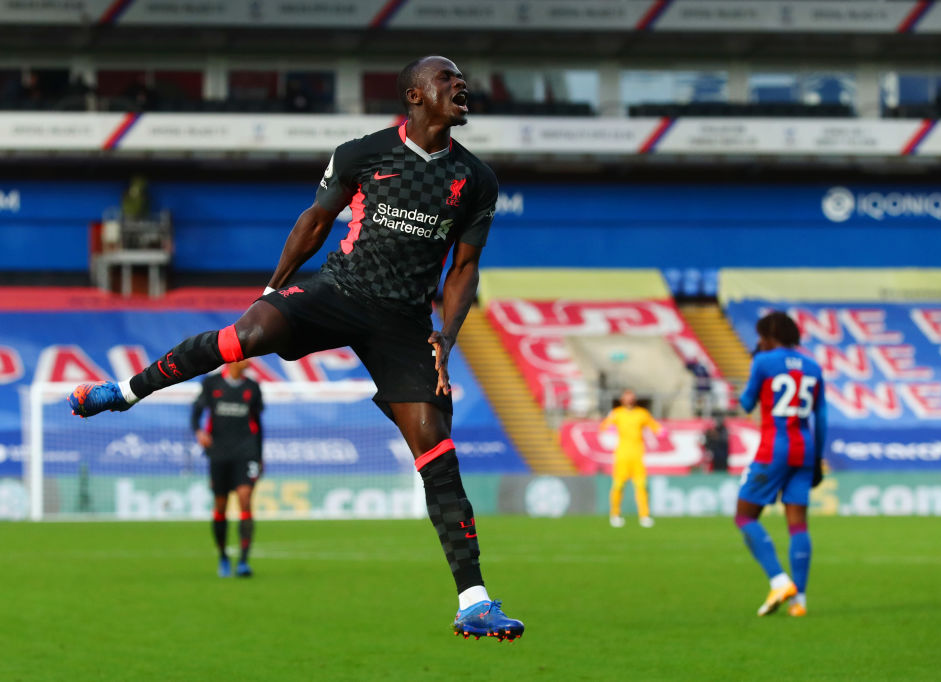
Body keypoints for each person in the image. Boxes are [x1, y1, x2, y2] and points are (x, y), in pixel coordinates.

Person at [68, 55, 523, 642]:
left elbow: (464, 268)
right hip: (340, 287)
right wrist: (273, 287)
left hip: (405, 321)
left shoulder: (476, 180)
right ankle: (126, 392)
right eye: (446, 78)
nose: (460, 85)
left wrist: (448, 336)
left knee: (435, 445)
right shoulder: (364, 153)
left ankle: (474, 602)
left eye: (462, 79)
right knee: (244, 336)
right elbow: (316, 219)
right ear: (415, 93)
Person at [735, 311, 827, 618]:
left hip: (774, 446)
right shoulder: (813, 366)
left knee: (745, 516)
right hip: (805, 447)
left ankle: (779, 580)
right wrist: (817, 460)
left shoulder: (763, 361)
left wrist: (754, 372)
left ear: (768, 336)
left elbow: (747, 403)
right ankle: (798, 601)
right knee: (798, 523)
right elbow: (821, 418)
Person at [190, 360, 263, 578]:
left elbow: (257, 423)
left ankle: (243, 561)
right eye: (246, 356)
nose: (250, 360)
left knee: (245, 497)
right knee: (220, 505)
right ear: (234, 360)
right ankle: (223, 557)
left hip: (246, 451)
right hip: (219, 452)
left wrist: (259, 455)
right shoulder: (212, 384)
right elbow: (196, 412)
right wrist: (198, 431)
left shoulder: (253, 387)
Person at [599, 388, 661, 528]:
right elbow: (603, 426)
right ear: (622, 399)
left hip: (637, 455)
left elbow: (655, 426)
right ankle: (615, 514)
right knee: (618, 485)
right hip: (622, 455)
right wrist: (609, 428)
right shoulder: (617, 413)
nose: (629, 399)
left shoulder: (642, 414)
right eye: (627, 397)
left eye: (631, 396)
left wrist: (661, 431)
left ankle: (644, 516)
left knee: (641, 486)